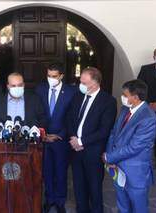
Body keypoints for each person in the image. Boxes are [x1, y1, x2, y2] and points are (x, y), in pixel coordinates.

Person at [67, 67, 117, 213]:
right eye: (80, 81)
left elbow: (104, 130)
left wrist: (81, 142)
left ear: (94, 84)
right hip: (75, 150)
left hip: (93, 153)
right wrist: (73, 139)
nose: (80, 85)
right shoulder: (78, 96)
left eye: (84, 82)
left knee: (94, 189)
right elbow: (69, 118)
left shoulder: (108, 101)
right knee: (79, 187)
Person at [103, 79, 156, 213]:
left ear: (136, 97)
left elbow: (134, 147)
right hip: (118, 169)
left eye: (125, 95)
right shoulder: (125, 109)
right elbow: (113, 133)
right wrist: (110, 157)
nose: (123, 97)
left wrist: (109, 157)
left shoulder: (148, 118)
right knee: (123, 206)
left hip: (135, 174)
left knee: (138, 208)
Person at [35, 64, 77, 213]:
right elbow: (37, 113)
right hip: (44, 138)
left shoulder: (72, 92)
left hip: (61, 139)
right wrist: (43, 133)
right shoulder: (40, 89)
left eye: (54, 76)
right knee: (47, 171)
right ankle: (49, 199)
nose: (50, 79)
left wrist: (60, 134)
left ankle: (60, 201)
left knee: (61, 171)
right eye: (48, 75)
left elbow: (73, 117)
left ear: (61, 76)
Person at [137, 46, 156, 169]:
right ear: (153, 57)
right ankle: (142, 162)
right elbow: (138, 88)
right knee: (144, 136)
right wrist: (148, 103)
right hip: (146, 109)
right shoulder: (145, 69)